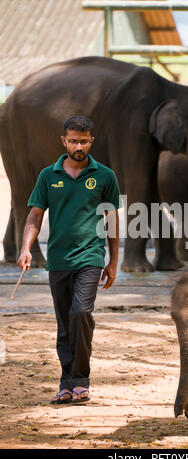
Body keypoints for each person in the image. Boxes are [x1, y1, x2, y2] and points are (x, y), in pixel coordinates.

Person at [17, 116, 122, 404]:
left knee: (80, 313)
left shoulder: (105, 176)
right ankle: (67, 383)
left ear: (91, 141)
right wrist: (26, 248)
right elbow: (34, 216)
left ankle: (81, 379)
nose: (79, 145)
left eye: (84, 141)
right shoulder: (48, 176)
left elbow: (112, 221)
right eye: (73, 140)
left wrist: (113, 262)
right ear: (64, 141)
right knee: (65, 322)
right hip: (58, 259)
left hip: (90, 257)